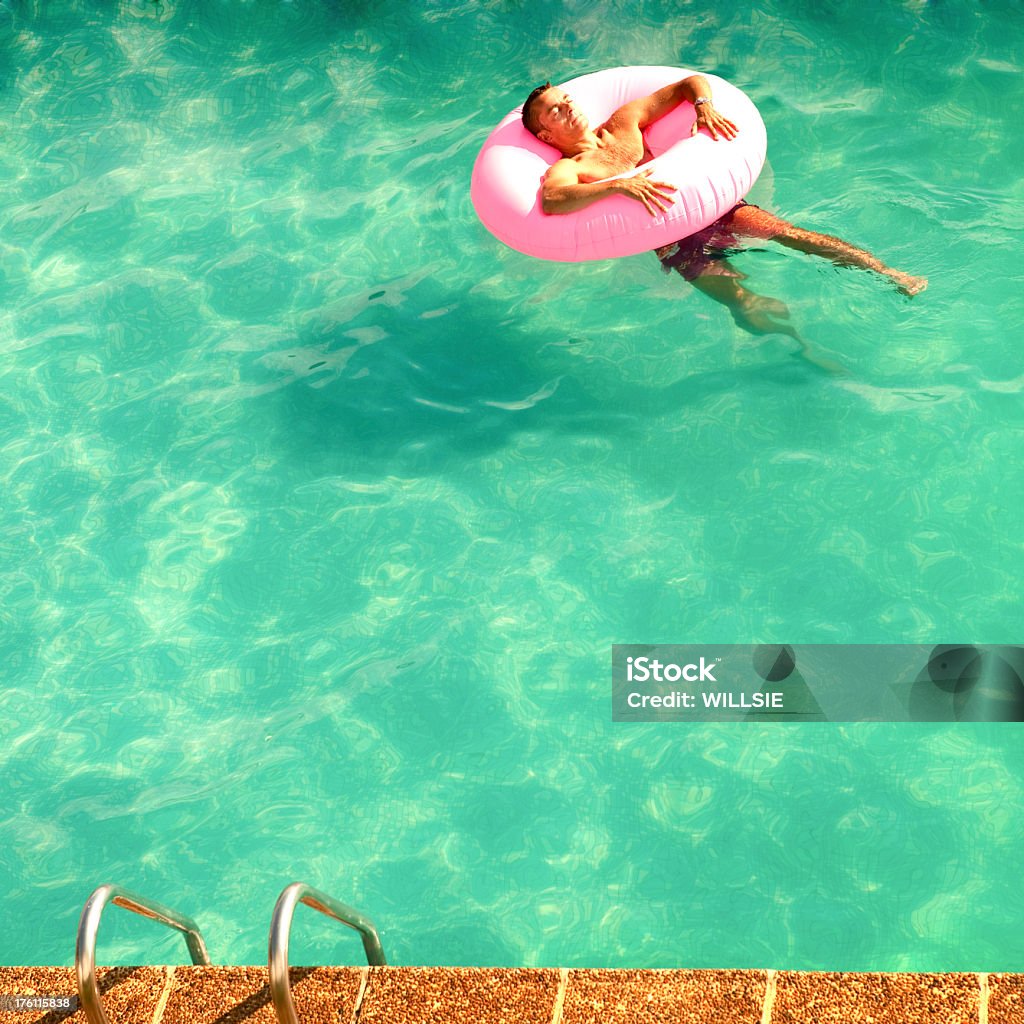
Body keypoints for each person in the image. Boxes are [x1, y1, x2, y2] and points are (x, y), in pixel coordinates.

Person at [521, 75, 927, 343]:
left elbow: (689, 83)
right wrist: (619, 185)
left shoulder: (623, 122)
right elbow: (552, 201)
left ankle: (889, 273)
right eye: (555, 110)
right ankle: (802, 346)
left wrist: (704, 105)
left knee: (795, 235)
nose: (568, 106)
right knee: (744, 303)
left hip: (715, 209)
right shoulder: (569, 168)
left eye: (566, 98)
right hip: (671, 241)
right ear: (545, 133)